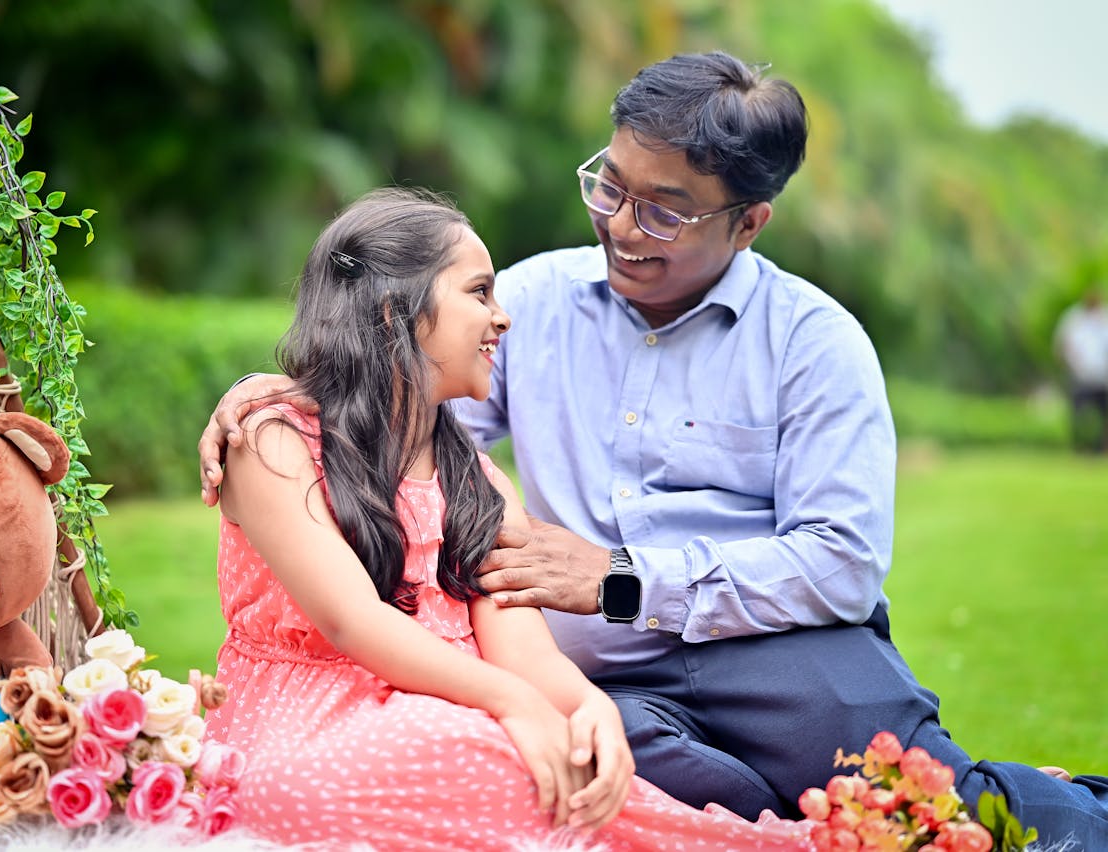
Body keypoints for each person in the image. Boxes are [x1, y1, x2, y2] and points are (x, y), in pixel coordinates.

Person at [199, 54, 1108, 846]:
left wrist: (621, 580)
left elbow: (842, 563)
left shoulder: (814, 343)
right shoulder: (535, 300)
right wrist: (287, 394)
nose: (624, 226)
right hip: (598, 664)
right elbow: (411, 435)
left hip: (778, 651)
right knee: (697, 804)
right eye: (611, 186)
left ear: (747, 223)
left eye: (666, 212)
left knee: (928, 810)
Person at [201, 187, 813, 850]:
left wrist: (586, 706)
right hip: (313, 723)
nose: (503, 318)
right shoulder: (274, 444)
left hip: (457, 713)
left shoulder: (480, 481)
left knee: (559, 763)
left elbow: (521, 648)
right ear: (393, 313)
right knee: (432, 766)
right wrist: (514, 704)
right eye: (479, 292)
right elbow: (352, 620)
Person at [1053, 288, 1108, 452]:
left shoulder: (1105, 318)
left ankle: (1102, 448)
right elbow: (1062, 346)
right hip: (1080, 376)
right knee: (1078, 414)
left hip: (1103, 377)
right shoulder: (1073, 318)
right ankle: (1079, 446)